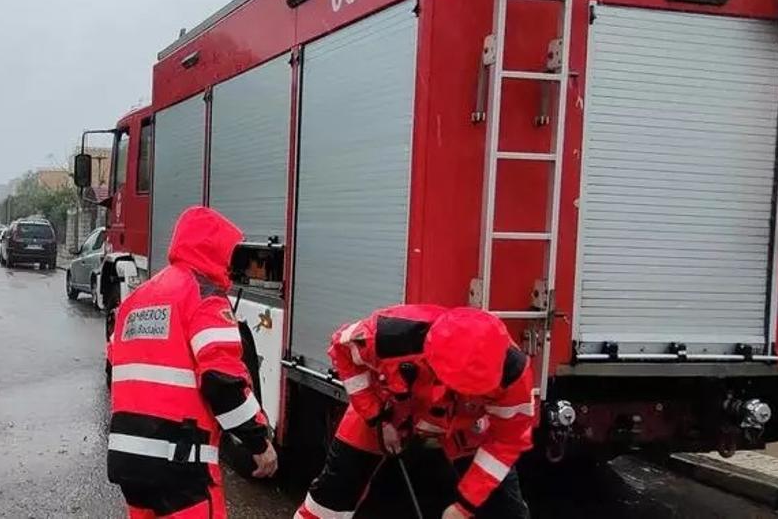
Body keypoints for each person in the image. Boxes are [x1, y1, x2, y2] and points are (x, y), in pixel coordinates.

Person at [107, 206, 277, 519]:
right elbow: (222, 381)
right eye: (228, 252)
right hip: (181, 464)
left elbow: (114, 363)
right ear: (214, 250)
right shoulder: (205, 298)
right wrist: (259, 442)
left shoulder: (135, 299)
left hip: (128, 459)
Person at [295, 305, 535, 519]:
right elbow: (341, 349)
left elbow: (507, 441)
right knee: (335, 491)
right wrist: (378, 417)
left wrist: (465, 506)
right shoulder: (392, 334)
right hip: (388, 406)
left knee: (504, 509)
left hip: (464, 423)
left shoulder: (513, 373)